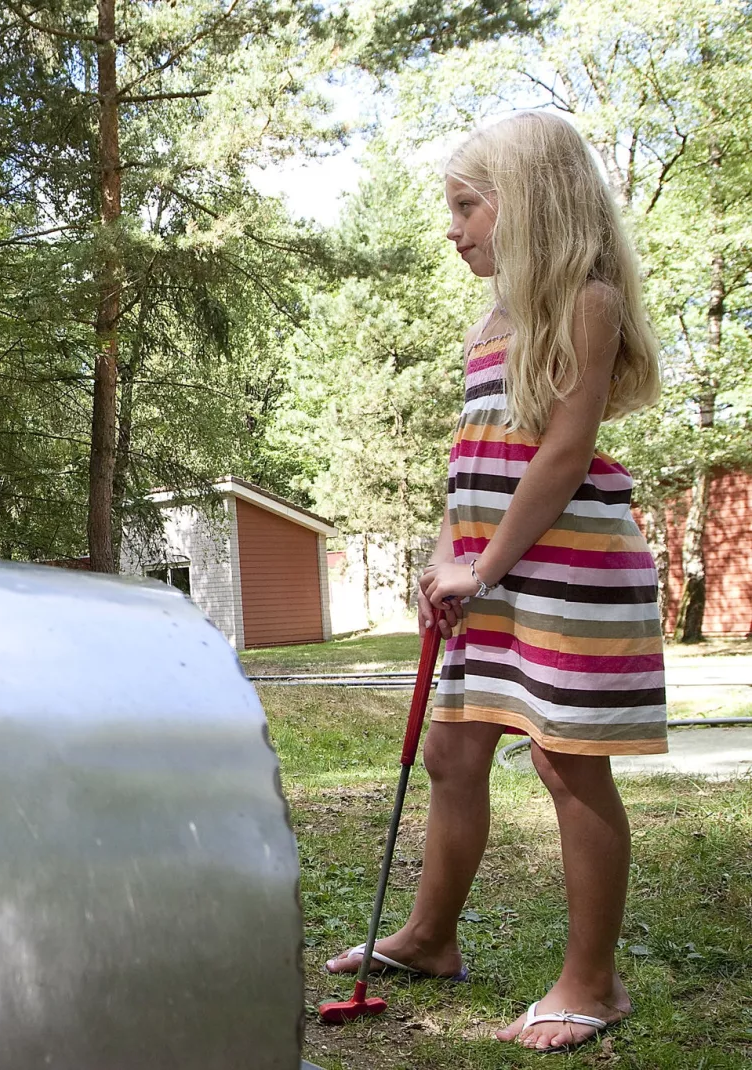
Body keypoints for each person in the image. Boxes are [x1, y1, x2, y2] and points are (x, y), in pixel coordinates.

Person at [324, 112, 666, 1053]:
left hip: (568, 572)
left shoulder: (585, 302)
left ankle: (595, 982)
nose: (453, 228)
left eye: (467, 206)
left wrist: (482, 564)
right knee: (453, 755)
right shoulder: (490, 320)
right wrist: (447, 556)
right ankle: (431, 938)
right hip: (493, 573)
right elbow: (475, 461)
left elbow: (560, 458)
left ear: (531, 204)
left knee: (566, 762)